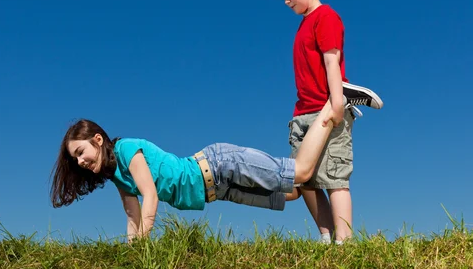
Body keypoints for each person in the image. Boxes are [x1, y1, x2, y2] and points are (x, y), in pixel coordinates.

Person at [50, 85, 381, 241]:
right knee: (296, 190)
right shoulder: (118, 176)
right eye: (75, 159)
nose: (80, 162)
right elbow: (132, 216)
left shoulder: (126, 151)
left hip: (220, 164)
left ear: (97, 140)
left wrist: (143, 248)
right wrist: (129, 250)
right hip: (219, 191)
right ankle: (320, 138)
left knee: (304, 172)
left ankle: (332, 103)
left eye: (80, 152)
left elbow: (149, 198)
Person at [266, 0, 383, 244]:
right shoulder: (303, 24)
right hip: (302, 115)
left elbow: (333, 62)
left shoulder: (326, 17)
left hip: (326, 110)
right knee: (303, 180)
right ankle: (326, 235)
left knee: (335, 179)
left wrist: (336, 106)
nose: (286, 0)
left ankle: (344, 241)